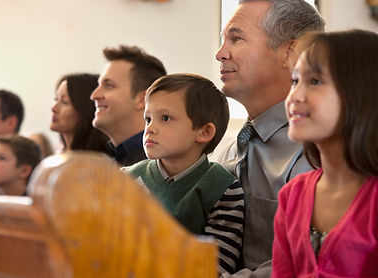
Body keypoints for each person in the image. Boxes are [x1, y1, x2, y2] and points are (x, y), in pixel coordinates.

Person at [214, 0, 325, 276]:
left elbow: (308, 261)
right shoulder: (227, 150)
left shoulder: (320, 154)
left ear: (291, 51)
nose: (220, 54)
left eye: (236, 38)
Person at [272, 29, 378, 277]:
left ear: (361, 92)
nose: (294, 96)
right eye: (295, 81)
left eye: (315, 81)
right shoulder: (292, 195)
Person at [125, 74, 244, 274]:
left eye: (165, 118)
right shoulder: (126, 179)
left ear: (204, 132)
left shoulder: (222, 189)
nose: (150, 128)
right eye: (148, 119)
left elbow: (215, 268)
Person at [91, 45, 167, 166]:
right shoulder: (106, 162)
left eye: (109, 85)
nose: (94, 95)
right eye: (99, 85)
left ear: (143, 100)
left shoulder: (161, 168)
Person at [51, 73, 110, 154]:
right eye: (56, 99)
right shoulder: (57, 154)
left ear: (84, 110)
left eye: (64, 102)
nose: (54, 108)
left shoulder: (98, 162)